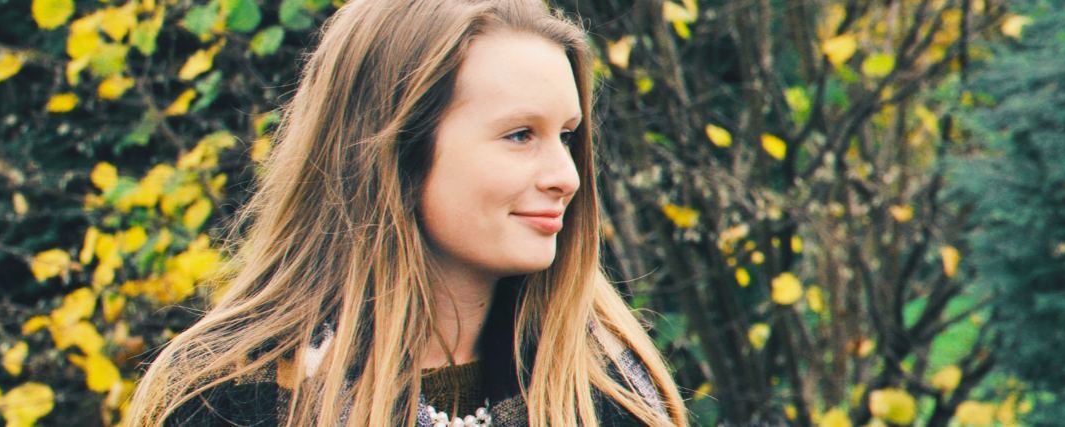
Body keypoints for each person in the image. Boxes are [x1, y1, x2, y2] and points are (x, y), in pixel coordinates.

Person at [125, 0, 688, 425]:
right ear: (394, 150)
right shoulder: (229, 398)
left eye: (566, 136)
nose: (566, 177)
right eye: (520, 135)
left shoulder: (610, 389)